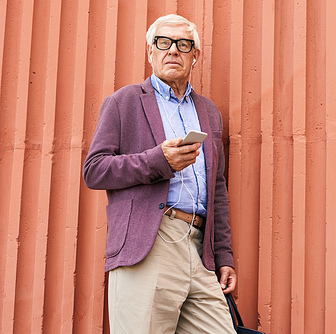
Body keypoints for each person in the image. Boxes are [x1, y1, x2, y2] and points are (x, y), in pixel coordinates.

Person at [83, 14, 237, 333]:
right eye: (163, 43)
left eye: (183, 44)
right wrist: (159, 161)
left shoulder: (208, 111)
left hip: (200, 248)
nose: (173, 51)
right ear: (150, 52)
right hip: (151, 243)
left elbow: (217, 189)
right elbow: (95, 170)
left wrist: (223, 255)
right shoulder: (123, 102)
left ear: (195, 55)